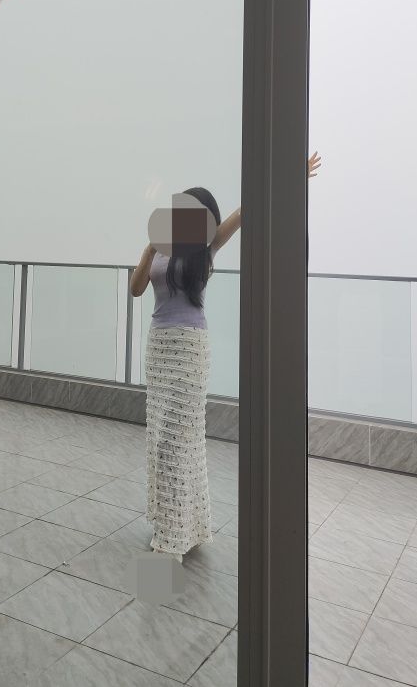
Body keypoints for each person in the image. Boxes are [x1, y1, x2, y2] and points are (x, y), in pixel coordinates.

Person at [130, 152, 321, 561]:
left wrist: (289, 175)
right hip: (159, 347)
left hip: (189, 348)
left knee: (179, 439)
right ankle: (180, 523)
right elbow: (135, 288)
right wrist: (148, 249)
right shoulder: (160, 247)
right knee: (161, 439)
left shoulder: (206, 247)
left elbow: (245, 212)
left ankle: (174, 538)